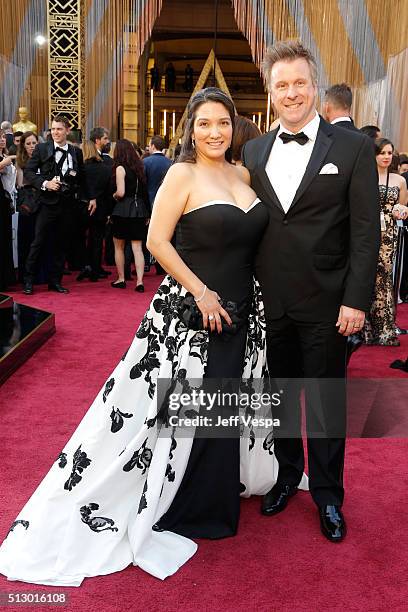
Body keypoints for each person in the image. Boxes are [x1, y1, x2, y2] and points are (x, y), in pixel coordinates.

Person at [0, 87, 296, 585]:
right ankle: (187, 503)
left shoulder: (243, 174)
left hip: (244, 311)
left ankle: (214, 494)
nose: (215, 132)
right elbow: (157, 243)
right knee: (179, 410)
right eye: (204, 124)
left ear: (234, 126)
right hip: (194, 313)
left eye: (222, 123)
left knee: (225, 406)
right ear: (190, 128)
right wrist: (202, 293)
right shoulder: (182, 174)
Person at [242, 40, 380, 542]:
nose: (291, 93)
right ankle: (285, 477)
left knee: (324, 405)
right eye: (282, 85)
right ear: (271, 92)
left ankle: (327, 495)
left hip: (328, 302)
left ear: (314, 86)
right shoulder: (253, 149)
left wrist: (356, 300)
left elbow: (367, 232)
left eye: (299, 82)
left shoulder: (353, 148)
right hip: (271, 302)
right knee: (280, 401)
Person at [22, 115, 83, 295]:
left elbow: (81, 176)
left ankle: (54, 281)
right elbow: (29, 172)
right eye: (53, 129)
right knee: (38, 242)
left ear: (67, 131)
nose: (55, 132)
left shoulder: (75, 152)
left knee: (61, 244)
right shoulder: (42, 148)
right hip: (47, 204)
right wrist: (45, 183)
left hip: (67, 204)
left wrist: (88, 197)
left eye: (59, 129)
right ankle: (28, 280)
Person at [362, 138, 408, 345]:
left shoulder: (399, 181)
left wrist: (402, 211)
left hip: (388, 235)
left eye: (390, 153)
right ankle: (364, 329)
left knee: (384, 280)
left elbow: (402, 206)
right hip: (365, 233)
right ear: (374, 155)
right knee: (365, 277)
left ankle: (385, 329)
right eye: (382, 153)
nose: (386, 157)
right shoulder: (363, 177)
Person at [110, 139, 150, 291]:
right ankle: (140, 282)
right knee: (137, 248)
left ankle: (121, 279)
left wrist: (114, 196)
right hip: (140, 210)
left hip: (123, 210)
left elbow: (121, 192)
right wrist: (148, 213)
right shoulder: (139, 167)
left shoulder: (120, 168)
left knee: (119, 247)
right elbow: (144, 192)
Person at [76, 128, 113, 281]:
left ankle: (86, 266)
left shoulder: (81, 167)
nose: (108, 141)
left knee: (81, 238)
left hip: (82, 207)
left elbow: (78, 186)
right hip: (100, 208)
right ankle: (95, 269)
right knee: (96, 239)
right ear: (96, 141)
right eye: (105, 138)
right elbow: (108, 190)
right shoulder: (105, 167)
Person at [0, 129, 15, 290]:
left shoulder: (5, 157)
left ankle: (6, 278)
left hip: (5, 201)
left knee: (5, 239)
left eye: (4, 137)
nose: (2, 140)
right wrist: (3, 164)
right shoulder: (5, 160)